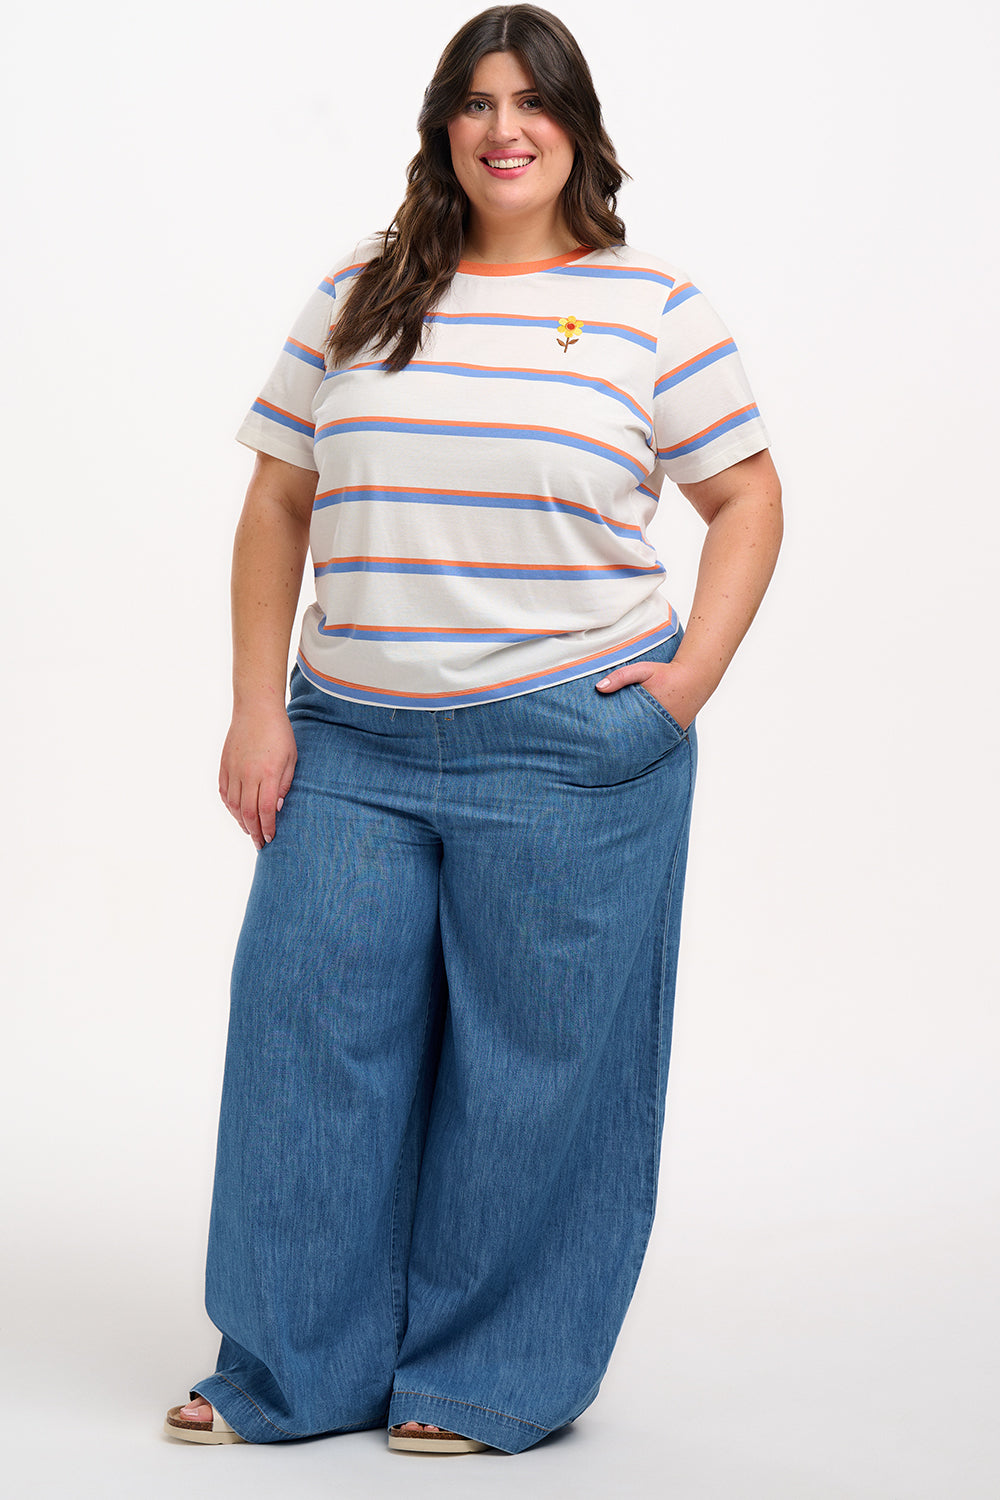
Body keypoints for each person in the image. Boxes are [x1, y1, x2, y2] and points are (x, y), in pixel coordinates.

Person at [163, 3, 782, 1457]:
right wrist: (257, 708)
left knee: (535, 1078)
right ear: (444, 125)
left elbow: (748, 496)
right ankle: (291, 1370)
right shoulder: (360, 292)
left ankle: (484, 1376)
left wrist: (687, 682)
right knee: (307, 1050)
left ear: (577, 127)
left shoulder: (653, 307)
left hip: (571, 741)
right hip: (351, 743)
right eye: (478, 101)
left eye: (534, 101)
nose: (507, 128)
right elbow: (279, 501)